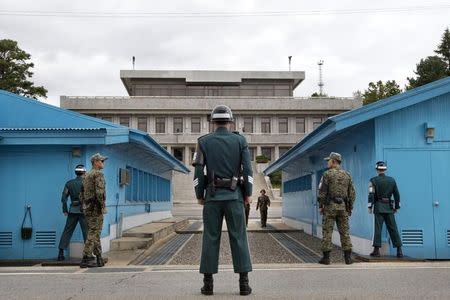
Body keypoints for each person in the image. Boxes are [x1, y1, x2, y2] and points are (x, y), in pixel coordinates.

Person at [193, 105, 253, 296]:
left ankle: (208, 284)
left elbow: (198, 171)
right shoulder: (240, 141)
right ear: (230, 121)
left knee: (210, 238)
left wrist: (199, 194)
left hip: (212, 196)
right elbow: (248, 171)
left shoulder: (203, 142)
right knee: (239, 238)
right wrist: (248, 193)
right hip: (235, 197)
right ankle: (244, 284)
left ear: (212, 121)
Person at [317, 152, 356, 265]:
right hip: (343, 207)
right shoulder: (347, 175)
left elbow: (322, 192)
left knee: (327, 231)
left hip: (330, 207)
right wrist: (349, 207)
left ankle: (326, 258)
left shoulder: (327, 174)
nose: (327, 162)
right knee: (345, 232)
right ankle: (348, 258)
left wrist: (321, 205)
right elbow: (352, 193)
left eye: (328, 160)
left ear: (334, 161)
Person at [368, 161, 403, 258]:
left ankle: (376, 251)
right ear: (385, 169)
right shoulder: (392, 180)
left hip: (379, 207)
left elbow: (371, 195)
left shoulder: (373, 180)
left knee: (378, 229)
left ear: (376, 169)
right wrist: (397, 207)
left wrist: (370, 206)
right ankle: (399, 250)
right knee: (393, 228)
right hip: (389, 207)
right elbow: (397, 194)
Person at [79, 153, 108, 268]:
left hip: (88, 208)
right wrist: (102, 206)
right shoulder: (98, 174)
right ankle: (86, 257)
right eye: (101, 161)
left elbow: (81, 193)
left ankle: (99, 258)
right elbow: (100, 193)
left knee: (95, 233)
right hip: (96, 208)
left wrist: (84, 205)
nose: (103, 163)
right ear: (95, 162)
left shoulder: (86, 175)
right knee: (94, 232)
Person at [57, 165, 88, 261]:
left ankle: (61, 253)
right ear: (84, 172)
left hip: (72, 210)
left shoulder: (69, 183)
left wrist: (65, 210)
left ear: (76, 173)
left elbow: (64, 198)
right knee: (86, 232)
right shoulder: (87, 183)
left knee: (67, 231)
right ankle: (87, 254)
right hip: (84, 210)